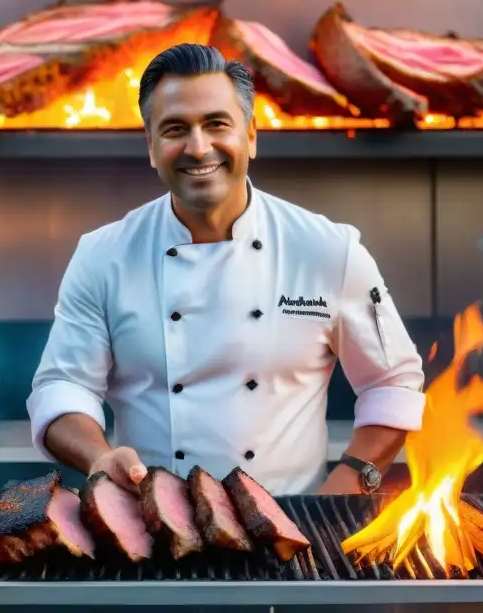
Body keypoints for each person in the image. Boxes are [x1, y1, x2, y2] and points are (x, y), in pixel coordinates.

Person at [26, 43, 426, 496]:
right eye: (175, 129)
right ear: (152, 147)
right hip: (154, 523)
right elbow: (62, 387)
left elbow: (393, 383)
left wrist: (347, 485)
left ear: (251, 135)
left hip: (292, 529)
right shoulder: (104, 255)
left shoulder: (328, 249)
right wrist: (99, 457)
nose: (198, 148)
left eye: (217, 124)